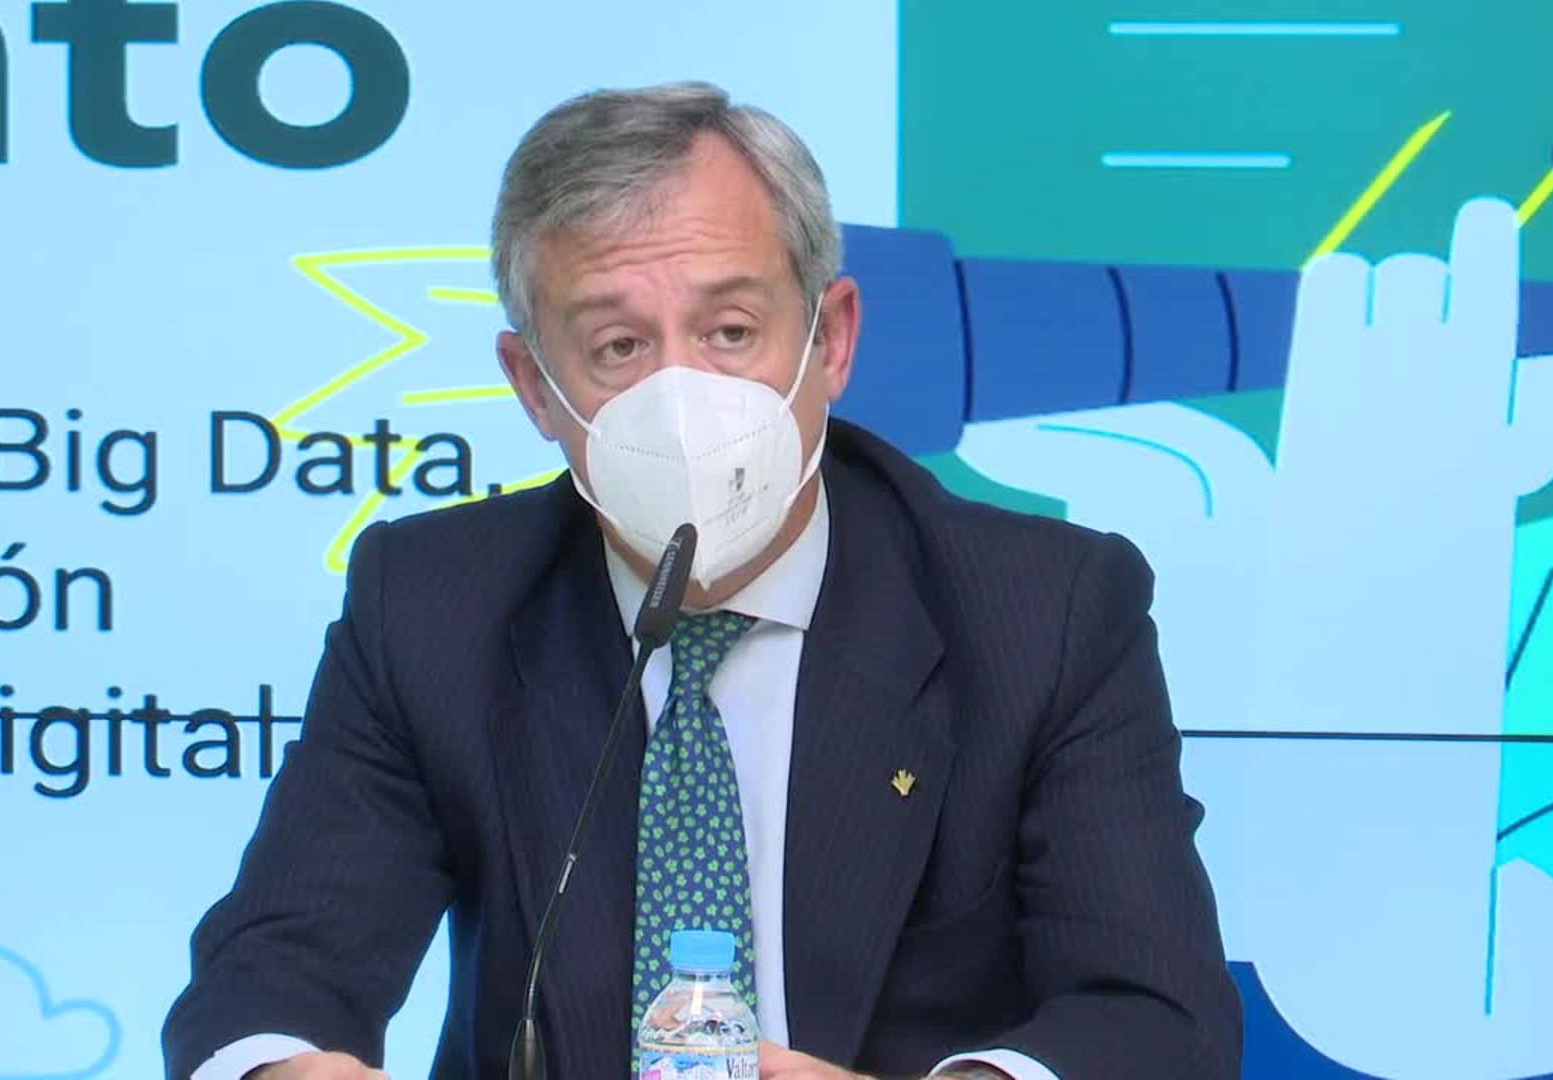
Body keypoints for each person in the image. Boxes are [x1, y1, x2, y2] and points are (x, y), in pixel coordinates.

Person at [162, 82, 1241, 1080]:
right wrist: (282, 1067)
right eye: (618, 347)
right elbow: (273, 973)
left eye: (731, 332)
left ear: (831, 341)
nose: (681, 400)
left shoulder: (1045, 611)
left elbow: (1157, 1018)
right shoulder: (433, 604)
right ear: (534, 387)